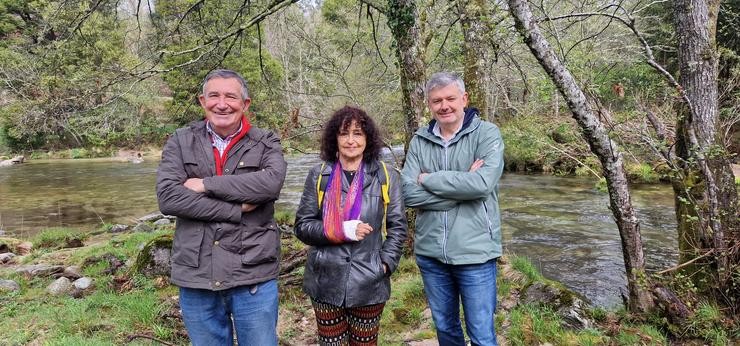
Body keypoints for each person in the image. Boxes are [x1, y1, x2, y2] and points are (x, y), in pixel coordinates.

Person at [156, 69, 287, 346]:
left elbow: (270, 185)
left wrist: (205, 184)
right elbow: (169, 198)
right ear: (202, 101)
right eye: (214, 96)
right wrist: (236, 208)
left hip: (253, 273)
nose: (222, 103)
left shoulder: (266, 141)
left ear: (245, 104)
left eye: (231, 96)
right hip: (197, 275)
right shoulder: (181, 140)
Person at [401, 72, 504, 346]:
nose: (444, 106)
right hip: (431, 254)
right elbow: (408, 193)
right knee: (446, 330)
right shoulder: (420, 140)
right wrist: (462, 188)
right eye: (436, 101)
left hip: (476, 254)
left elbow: (482, 184)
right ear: (429, 104)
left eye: (450, 98)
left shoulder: (487, 133)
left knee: (481, 334)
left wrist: (428, 179)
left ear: (464, 99)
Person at [294, 106, 407, 346]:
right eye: (344, 133)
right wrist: (341, 230)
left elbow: (397, 227)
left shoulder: (386, 176)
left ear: (368, 138)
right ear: (334, 138)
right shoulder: (319, 175)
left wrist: (385, 264)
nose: (351, 140)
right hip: (325, 280)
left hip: (370, 281)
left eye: (358, 133)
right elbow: (303, 226)